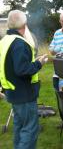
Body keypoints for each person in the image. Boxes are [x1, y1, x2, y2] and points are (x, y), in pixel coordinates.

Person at [0, 10, 48, 149]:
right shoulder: (20, 43)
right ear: (25, 24)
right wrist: (39, 63)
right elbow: (22, 70)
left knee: (19, 126)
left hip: (12, 91)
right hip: (24, 94)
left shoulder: (4, 41)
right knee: (30, 130)